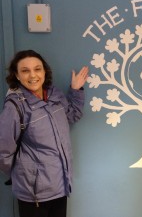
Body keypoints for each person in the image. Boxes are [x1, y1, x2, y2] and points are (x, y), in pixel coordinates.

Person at [0, 50, 89, 217]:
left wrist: (75, 90)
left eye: (37, 69)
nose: (33, 75)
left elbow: (72, 115)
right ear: (17, 76)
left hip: (60, 184)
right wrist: (23, 173)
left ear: (44, 71)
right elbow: (3, 151)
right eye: (25, 70)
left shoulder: (54, 94)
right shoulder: (14, 107)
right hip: (33, 193)